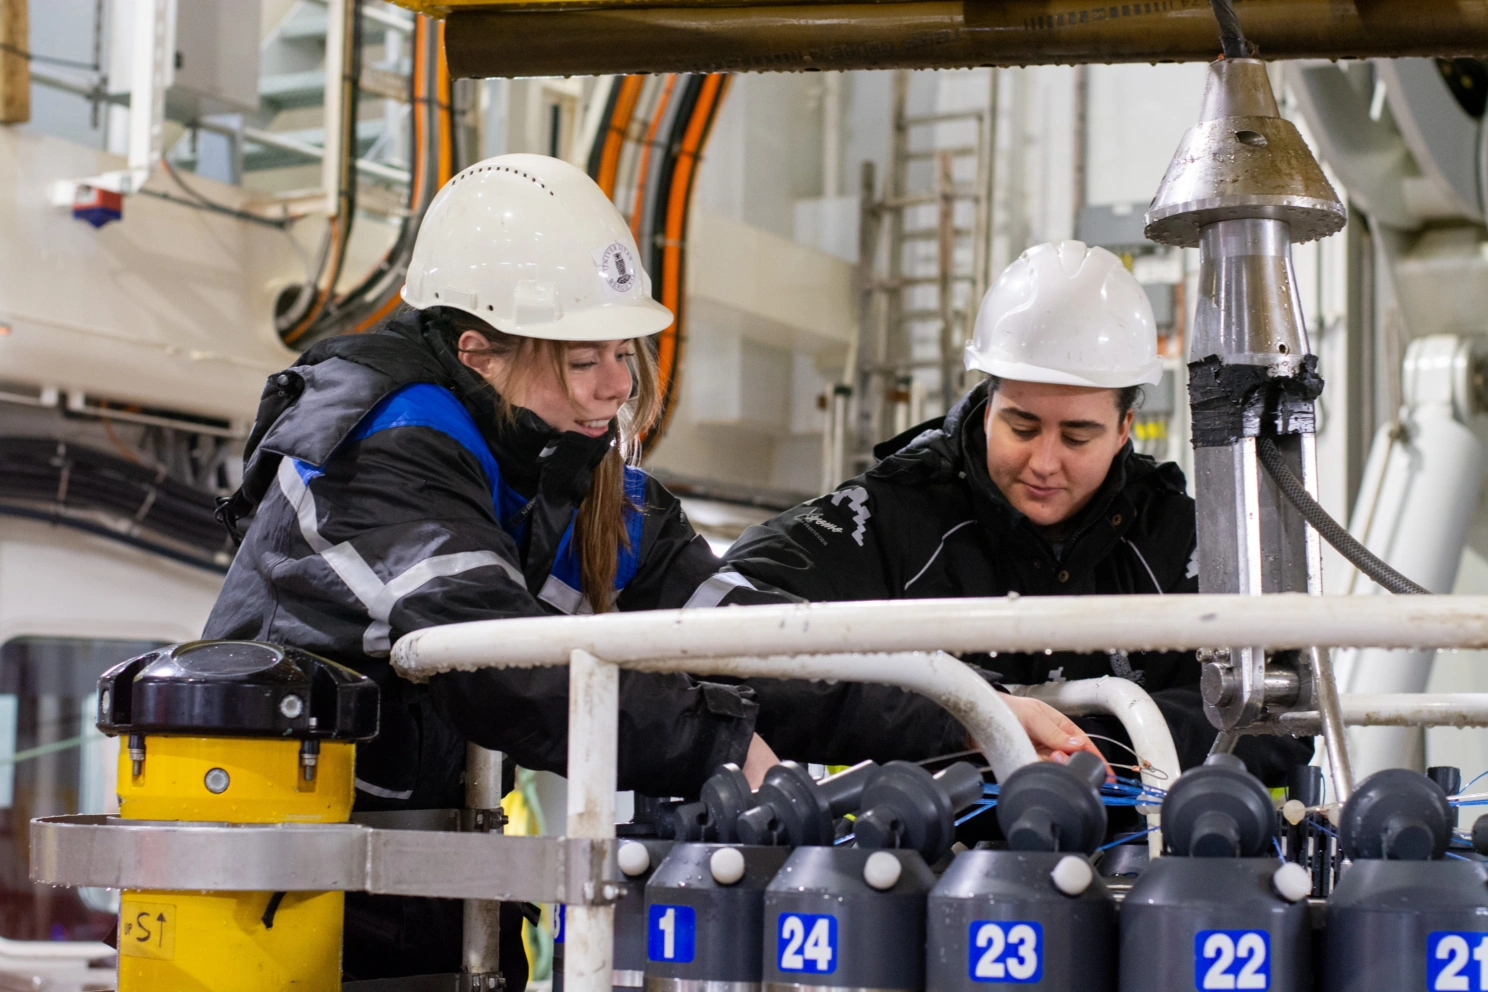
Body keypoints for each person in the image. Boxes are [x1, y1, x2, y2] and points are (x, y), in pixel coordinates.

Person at [203, 155, 1091, 983]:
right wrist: (721, 743)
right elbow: (492, 662)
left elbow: (743, 642)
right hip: (279, 906)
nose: (614, 388)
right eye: (581, 360)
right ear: (479, 353)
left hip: (437, 896)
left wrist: (963, 708)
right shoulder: (374, 454)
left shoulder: (584, 493)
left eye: (623, 354)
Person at [724, 240, 1314, 786]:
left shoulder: (1177, 539)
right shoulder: (892, 514)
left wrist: (1092, 743)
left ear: (1123, 427)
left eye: (1077, 437)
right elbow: (728, 622)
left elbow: (1278, 712)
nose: (1043, 462)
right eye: (1021, 426)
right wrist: (971, 716)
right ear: (987, 406)